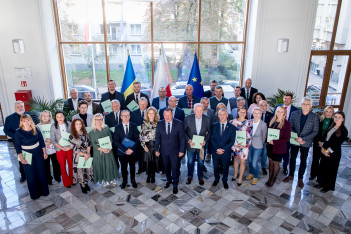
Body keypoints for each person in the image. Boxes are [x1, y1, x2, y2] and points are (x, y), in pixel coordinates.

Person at [283, 97, 319, 188]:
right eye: (303, 103)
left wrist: (302, 138)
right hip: (294, 140)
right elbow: (290, 127)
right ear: (301, 104)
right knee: (293, 158)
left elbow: (315, 131)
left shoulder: (314, 117)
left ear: (310, 106)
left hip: (305, 142)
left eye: (307, 104)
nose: (305, 106)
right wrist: (296, 137)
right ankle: (291, 175)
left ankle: (300, 178)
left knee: (303, 160)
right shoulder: (295, 114)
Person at [14, 114, 49, 200]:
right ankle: (35, 194)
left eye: (28, 120)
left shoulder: (35, 129)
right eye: (24, 121)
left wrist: (44, 152)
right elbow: (17, 147)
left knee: (41, 172)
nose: (26, 122)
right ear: (21, 122)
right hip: (26, 154)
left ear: (31, 121)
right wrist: (21, 158)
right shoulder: (18, 132)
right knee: (31, 174)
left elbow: (41, 141)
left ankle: (44, 191)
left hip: (38, 152)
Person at [4, 101, 39, 183]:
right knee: (22, 159)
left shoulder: (31, 115)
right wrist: (16, 136)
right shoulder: (9, 118)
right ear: (15, 108)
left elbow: (37, 125)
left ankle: (36, 173)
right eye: (18, 107)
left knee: (34, 158)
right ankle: (23, 175)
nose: (20, 108)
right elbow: (6, 130)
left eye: (21, 106)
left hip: (32, 142)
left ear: (24, 106)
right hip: (19, 143)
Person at [155, 108, 185, 194]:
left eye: (169, 115)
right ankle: (168, 180)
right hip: (164, 151)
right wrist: (156, 149)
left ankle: (175, 184)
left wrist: (181, 150)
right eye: (165, 115)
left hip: (175, 151)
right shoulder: (160, 124)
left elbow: (182, 139)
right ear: (163, 116)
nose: (167, 117)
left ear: (172, 115)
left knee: (175, 168)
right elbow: (157, 138)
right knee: (166, 167)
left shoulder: (179, 123)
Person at [317, 111, 348, 193]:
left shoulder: (344, 131)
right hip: (325, 150)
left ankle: (327, 186)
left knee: (330, 170)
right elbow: (326, 138)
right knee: (323, 167)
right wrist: (322, 147)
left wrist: (326, 151)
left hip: (334, 153)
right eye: (335, 117)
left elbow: (337, 144)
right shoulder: (332, 126)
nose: (337, 119)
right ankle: (321, 183)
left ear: (343, 119)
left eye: (339, 117)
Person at [184, 103, 211, 185]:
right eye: (197, 110)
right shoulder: (188, 118)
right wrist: (189, 140)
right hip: (191, 144)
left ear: (203, 111)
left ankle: (200, 177)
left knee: (201, 161)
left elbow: (209, 132)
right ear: (194, 110)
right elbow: (184, 132)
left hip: (201, 145)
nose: (199, 112)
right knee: (190, 161)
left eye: (201, 110)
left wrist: (205, 141)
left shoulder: (207, 119)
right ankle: (190, 176)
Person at [89, 114, 119, 188]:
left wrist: (109, 147)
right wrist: (102, 149)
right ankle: (103, 180)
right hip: (98, 152)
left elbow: (110, 139)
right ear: (94, 121)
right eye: (97, 119)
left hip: (108, 150)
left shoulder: (106, 128)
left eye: (100, 119)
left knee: (109, 165)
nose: (99, 121)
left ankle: (111, 179)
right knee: (101, 166)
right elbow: (93, 144)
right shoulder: (91, 131)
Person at [273, 91, 298, 175]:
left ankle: (284, 166)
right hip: (277, 133)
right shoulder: (277, 107)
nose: (286, 100)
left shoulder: (295, 110)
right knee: (275, 150)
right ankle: (275, 164)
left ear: (291, 99)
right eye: (285, 98)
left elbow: (295, 123)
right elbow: (274, 119)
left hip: (288, 134)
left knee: (286, 151)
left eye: (288, 99)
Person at [265, 106, 291, 187]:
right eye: (278, 111)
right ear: (276, 112)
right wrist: (267, 139)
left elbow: (287, 138)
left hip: (279, 147)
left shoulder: (286, 124)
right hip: (270, 146)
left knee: (276, 163)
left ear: (284, 114)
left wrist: (275, 142)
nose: (279, 113)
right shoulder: (272, 120)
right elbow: (269, 132)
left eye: (281, 112)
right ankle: (269, 178)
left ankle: (273, 179)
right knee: (270, 162)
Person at [114, 110, 140, 189]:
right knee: (123, 167)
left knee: (132, 166)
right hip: (122, 151)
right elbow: (116, 140)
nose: (125, 117)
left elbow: (137, 139)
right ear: (121, 117)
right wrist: (125, 150)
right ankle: (124, 181)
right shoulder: (117, 127)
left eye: (127, 116)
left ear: (130, 117)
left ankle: (133, 180)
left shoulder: (134, 126)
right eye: (124, 116)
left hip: (132, 151)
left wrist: (131, 149)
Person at [211, 108, 236, 189]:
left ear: (227, 115)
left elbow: (232, 141)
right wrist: (217, 149)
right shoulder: (214, 126)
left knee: (225, 167)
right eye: (220, 114)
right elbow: (212, 139)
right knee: (215, 166)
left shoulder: (232, 127)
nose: (222, 116)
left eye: (223, 114)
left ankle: (224, 180)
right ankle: (216, 179)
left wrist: (223, 149)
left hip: (226, 151)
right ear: (218, 115)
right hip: (215, 151)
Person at [309, 106, 334, 181]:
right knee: (315, 159)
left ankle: (320, 178)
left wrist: (324, 143)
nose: (328, 113)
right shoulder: (320, 119)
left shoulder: (334, 122)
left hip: (327, 145)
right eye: (327, 111)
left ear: (332, 113)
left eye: (330, 112)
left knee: (324, 160)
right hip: (317, 142)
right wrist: (318, 142)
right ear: (324, 112)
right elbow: (315, 131)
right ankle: (313, 175)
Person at [69, 119, 93, 194]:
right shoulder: (71, 136)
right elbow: (75, 149)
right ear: (73, 125)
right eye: (77, 124)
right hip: (78, 157)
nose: (79, 125)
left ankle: (86, 184)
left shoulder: (85, 134)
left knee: (87, 169)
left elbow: (89, 144)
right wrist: (84, 154)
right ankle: (82, 185)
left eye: (80, 124)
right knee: (80, 172)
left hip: (87, 155)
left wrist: (88, 153)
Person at [37, 110, 61, 185]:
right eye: (44, 116)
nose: (45, 117)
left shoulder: (54, 125)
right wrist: (45, 143)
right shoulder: (37, 126)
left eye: (47, 116)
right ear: (41, 116)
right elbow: (36, 138)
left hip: (54, 147)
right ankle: (48, 179)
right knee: (46, 164)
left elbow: (58, 135)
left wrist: (52, 141)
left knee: (56, 163)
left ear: (50, 117)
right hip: (44, 149)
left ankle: (57, 176)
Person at [50, 110, 73, 188]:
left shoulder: (69, 124)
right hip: (59, 149)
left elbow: (73, 136)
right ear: (55, 118)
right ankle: (66, 182)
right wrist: (61, 147)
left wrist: (69, 146)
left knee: (71, 164)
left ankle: (72, 180)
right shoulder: (53, 126)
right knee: (62, 166)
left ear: (64, 117)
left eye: (61, 116)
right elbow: (52, 140)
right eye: (58, 117)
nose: (60, 118)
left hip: (69, 148)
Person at [230, 107, 252, 186]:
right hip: (235, 145)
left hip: (244, 146)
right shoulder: (232, 122)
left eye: (244, 112)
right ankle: (235, 175)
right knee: (235, 160)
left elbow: (250, 135)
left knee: (242, 162)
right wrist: (234, 143)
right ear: (238, 112)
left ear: (246, 114)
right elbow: (230, 135)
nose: (243, 113)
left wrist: (244, 145)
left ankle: (240, 178)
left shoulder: (248, 123)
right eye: (241, 112)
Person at [246, 108, 267, 185]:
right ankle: (251, 173)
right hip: (249, 145)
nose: (256, 115)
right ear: (252, 114)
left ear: (261, 114)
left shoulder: (263, 124)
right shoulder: (249, 122)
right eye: (255, 113)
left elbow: (264, 137)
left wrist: (260, 145)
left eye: (258, 113)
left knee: (254, 163)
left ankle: (255, 176)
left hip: (258, 146)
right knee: (250, 161)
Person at [140, 107, 160, 183]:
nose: (151, 114)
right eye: (149, 113)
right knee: (148, 162)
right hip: (147, 145)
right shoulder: (144, 124)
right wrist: (143, 146)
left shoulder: (159, 124)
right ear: (147, 114)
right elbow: (141, 136)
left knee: (154, 162)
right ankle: (148, 176)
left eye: (152, 113)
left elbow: (160, 136)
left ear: (155, 114)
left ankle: (153, 176)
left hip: (156, 145)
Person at [131, 97, 148, 174]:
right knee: (140, 154)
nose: (143, 106)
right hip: (138, 137)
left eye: (144, 104)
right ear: (138, 104)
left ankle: (148, 169)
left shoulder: (150, 112)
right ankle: (140, 168)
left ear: (147, 104)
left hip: (148, 137)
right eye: (141, 104)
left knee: (148, 153)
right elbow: (132, 125)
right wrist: (138, 134)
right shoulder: (134, 113)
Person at [259, 100, 273, 175]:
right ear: (259, 106)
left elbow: (271, 127)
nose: (263, 107)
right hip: (256, 138)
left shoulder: (271, 115)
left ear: (266, 106)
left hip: (265, 138)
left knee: (264, 153)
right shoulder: (255, 114)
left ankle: (263, 167)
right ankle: (253, 168)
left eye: (264, 105)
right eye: (261, 105)